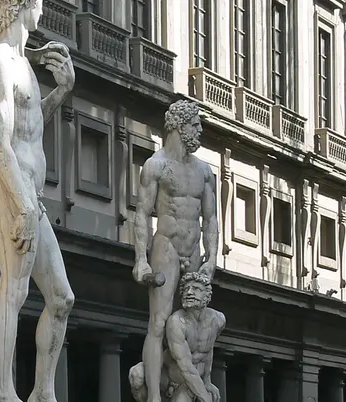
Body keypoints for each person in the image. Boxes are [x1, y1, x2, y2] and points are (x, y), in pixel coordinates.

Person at [0, 0, 77, 399]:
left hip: (33, 197)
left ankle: (42, 392)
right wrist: (19, 205)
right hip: (13, 190)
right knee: (14, 291)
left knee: (62, 298)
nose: (43, 10)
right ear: (22, 5)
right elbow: (2, 145)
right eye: (39, 2)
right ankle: (4, 394)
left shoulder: (25, 65)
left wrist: (62, 91)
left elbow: (31, 126)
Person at [132, 100, 219, 402]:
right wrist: (141, 260)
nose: (199, 130)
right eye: (195, 124)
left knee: (197, 319)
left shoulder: (205, 172)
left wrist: (212, 258)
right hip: (166, 247)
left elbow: (210, 218)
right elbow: (142, 213)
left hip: (193, 249)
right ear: (179, 126)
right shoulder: (155, 166)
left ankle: (196, 386)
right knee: (158, 322)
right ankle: (155, 395)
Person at [128, 272, 225, 402]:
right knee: (136, 374)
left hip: (190, 381)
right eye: (186, 289)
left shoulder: (218, 320)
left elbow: (208, 350)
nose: (189, 292)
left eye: (196, 289)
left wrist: (207, 381)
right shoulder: (176, 322)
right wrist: (205, 398)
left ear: (207, 295)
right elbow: (186, 368)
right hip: (168, 376)